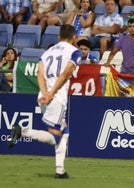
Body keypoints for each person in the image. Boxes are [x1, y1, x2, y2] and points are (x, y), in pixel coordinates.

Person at [7, 24, 82, 179]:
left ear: (58, 36)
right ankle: (23, 131)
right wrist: (52, 93)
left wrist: (45, 92)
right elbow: (66, 73)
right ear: (74, 37)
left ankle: (60, 170)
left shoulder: (47, 52)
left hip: (42, 96)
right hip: (56, 98)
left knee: (65, 131)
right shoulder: (74, 52)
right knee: (54, 137)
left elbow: (39, 73)